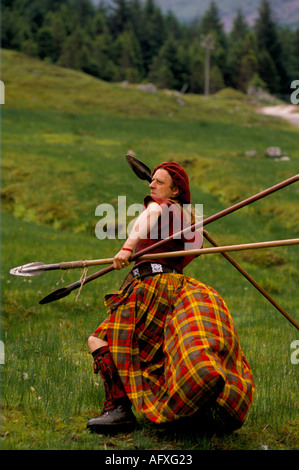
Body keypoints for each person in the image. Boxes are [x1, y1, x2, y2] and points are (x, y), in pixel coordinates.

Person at [87, 162, 255, 433]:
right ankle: (189, 412)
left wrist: (127, 247)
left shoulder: (162, 207)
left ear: (175, 190)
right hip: (169, 284)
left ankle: (118, 410)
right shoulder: (184, 218)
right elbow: (191, 250)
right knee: (154, 354)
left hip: (150, 284)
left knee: (100, 340)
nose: (151, 186)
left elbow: (150, 213)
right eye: (151, 180)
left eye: (159, 182)